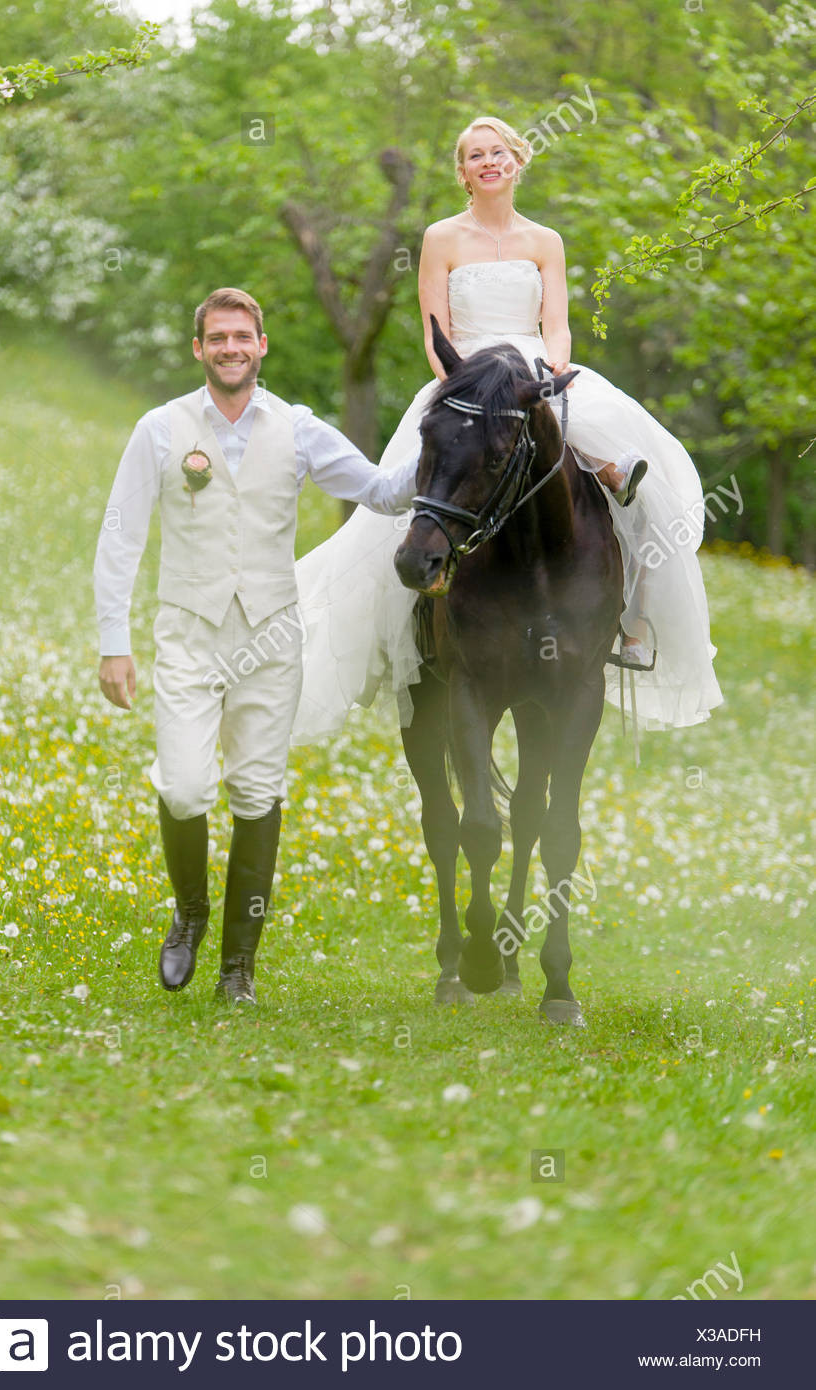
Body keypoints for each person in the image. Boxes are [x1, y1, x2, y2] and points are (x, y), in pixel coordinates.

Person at [292, 116, 722, 745]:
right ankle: (397, 630)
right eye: (474, 155)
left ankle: (631, 621)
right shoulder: (440, 237)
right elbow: (435, 331)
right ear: (463, 173)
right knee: (409, 490)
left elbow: (557, 323)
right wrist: (461, 386)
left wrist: (553, 369)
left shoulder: (546, 239)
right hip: (466, 377)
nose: (488, 162)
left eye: (497, 152)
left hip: (534, 367)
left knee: (644, 476)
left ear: (517, 161)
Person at [94, 288, 418, 1004]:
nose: (232, 347)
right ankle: (190, 915)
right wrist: (112, 640)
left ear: (262, 345)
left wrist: (445, 428)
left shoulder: (299, 430)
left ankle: (238, 968)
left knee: (257, 792)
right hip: (188, 635)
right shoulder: (160, 427)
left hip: (272, 637)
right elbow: (120, 534)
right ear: (199, 348)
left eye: (243, 336)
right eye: (218, 338)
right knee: (182, 787)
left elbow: (382, 490)